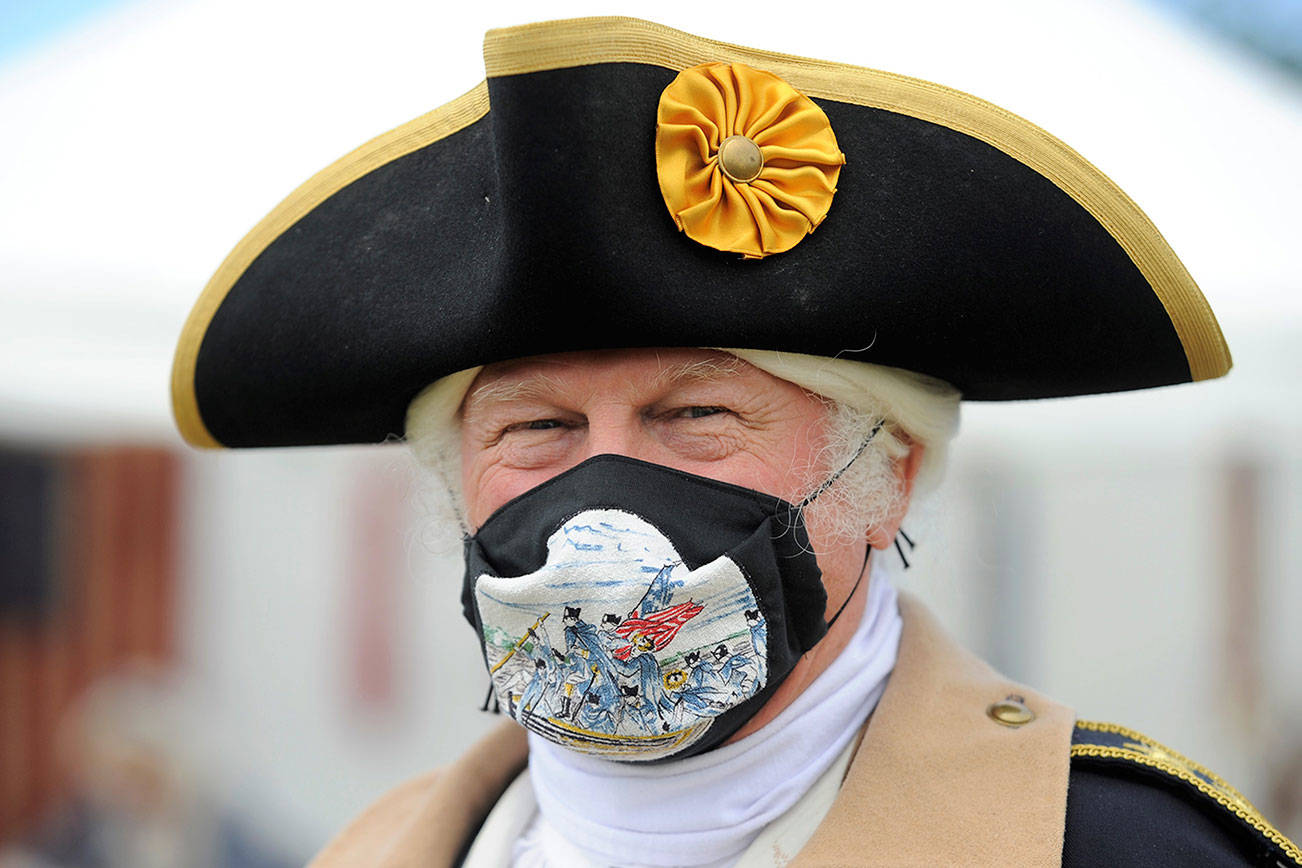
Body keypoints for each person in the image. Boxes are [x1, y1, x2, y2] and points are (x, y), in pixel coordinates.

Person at [169, 16, 1300, 867]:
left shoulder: (1117, 849)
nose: (600, 492)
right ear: (454, 488)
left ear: (887, 473)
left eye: (697, 414)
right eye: (537, 427)